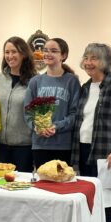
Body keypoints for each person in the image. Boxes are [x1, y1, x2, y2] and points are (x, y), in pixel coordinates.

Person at [72, 43, 111, 222]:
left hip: (106, 156)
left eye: (94, 58)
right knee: (85, 200)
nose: (88, 62)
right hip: (82, 150)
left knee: (103, 204)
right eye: (86, 58)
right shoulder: (85, 87)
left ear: (105, 62)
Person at [24, 38, 80, 169]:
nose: (48, 54)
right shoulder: (35, 81)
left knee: (61, 183)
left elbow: (75, 114)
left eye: (54, 51)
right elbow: (27, 112)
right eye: (45, 50)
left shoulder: (72, 81)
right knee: (42, 184)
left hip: (63, 145)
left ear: (63, 55)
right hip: (40, 144)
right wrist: (37, 127)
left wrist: (56, 126)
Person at [0, 36, 37, 172]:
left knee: (21, 189)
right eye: (7, 52)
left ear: (23, 54)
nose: (10, 56)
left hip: (24, 148)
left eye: (14, 52)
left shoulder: (35, 80)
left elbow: (38, 113)